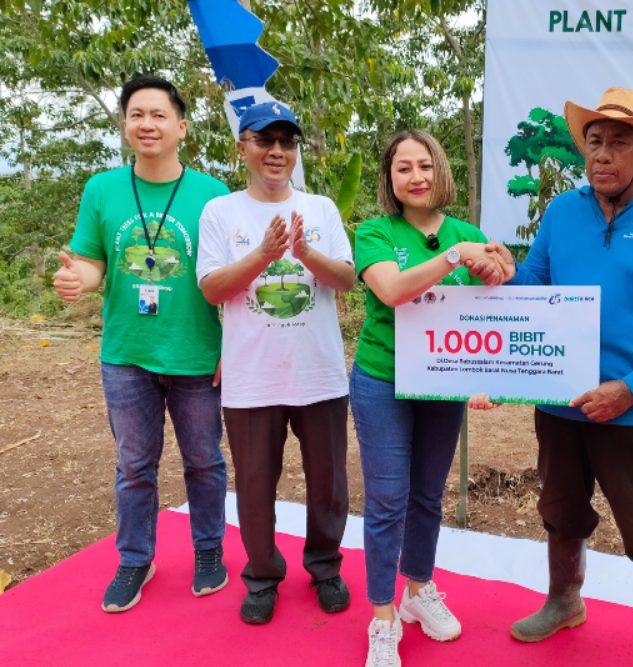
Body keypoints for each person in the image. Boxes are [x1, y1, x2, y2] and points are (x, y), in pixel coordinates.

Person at [478, 88, 633, 667]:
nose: (603, 154)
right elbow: (536, 284)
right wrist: (503, 274)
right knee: (560, 509)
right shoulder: (561, 213)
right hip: (560, 402)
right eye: (595, 141)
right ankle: (564, 600)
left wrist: (630, 387)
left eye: (619, 142)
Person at [52, 75, 229, 612]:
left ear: (181, 127)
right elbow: (91, 260)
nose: (146, 124)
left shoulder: (213, 194)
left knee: (204, 460)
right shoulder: (102, 189)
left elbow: (229, 279)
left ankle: (209, 550)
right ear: (125, 125)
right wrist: (79, 280)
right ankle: (135, 558)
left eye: (158, 115)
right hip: (126, 354)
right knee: (134, 466)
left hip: (197, 353)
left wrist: (232, 347)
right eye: (136, 114)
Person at [350, 129, 512, 667]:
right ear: (390, 179)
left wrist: (499, 270)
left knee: (426, 496)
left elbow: (491, 306)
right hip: (383, 380)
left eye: (424, 165)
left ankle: (419, 592)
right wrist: (454, 257)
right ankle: (382, 617)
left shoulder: (469, 232)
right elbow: (392, 290)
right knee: (387, 500)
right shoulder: (374, 231)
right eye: (403, 168)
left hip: (443, 380)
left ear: (440, 170)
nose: (415, 176)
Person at [196, 102, 355, 624]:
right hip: (251, 378)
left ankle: (325, 566)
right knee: (256, 484)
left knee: (328, 482)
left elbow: (347, 279)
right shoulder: (221, 212)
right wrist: (264, 254)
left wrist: (305, 254)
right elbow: (212, 288)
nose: (277, 152)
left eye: (287, 142)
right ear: (242, 147)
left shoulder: (322, 208)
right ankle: (262, 575)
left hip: (320, 373)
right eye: (265, 141)